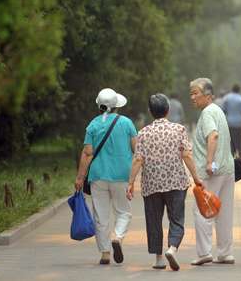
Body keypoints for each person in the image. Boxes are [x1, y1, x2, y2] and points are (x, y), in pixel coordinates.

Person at [127, 94, 202, 271]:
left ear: (150, 112)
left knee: (154, 220)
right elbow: (187, 155)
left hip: (151, 184)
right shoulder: (179, 130)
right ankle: (172, 248)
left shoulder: (143, 133)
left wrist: (130, 183)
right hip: (176, 182)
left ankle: (159, 259)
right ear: (167, 110)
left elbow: (138, 160)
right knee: (176, 219)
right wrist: (196, 179)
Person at [74, 88, 137, 265]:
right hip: (122, 175)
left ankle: (105, 253)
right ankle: (117, 236)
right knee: (123, 212)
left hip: (98, 176)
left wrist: (80, 178)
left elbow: (87, 153)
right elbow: (136, 149)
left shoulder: (93, 124)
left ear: (99, 106)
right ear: (117, 105)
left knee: (101, 215)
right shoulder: (126, 123)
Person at [189, 78, 236, 265]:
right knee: (223, 212)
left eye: (195, 93)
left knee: (202, 209)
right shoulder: (218, 110)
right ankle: (225, 253)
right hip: (226, 169)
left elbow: (213, 135)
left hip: (212, 171)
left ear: (207, 95)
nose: (192, 97)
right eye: (190, 94)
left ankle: (204, 253)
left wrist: (209, 162)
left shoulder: (207, 113)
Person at [222, 84, 241, 159]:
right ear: (239, 90)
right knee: (240, 140)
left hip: (229, 123)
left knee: (231, 140)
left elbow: (223, 110)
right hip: (239, 123)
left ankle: (231, 155)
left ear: (232, 89)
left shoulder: (226, 98)